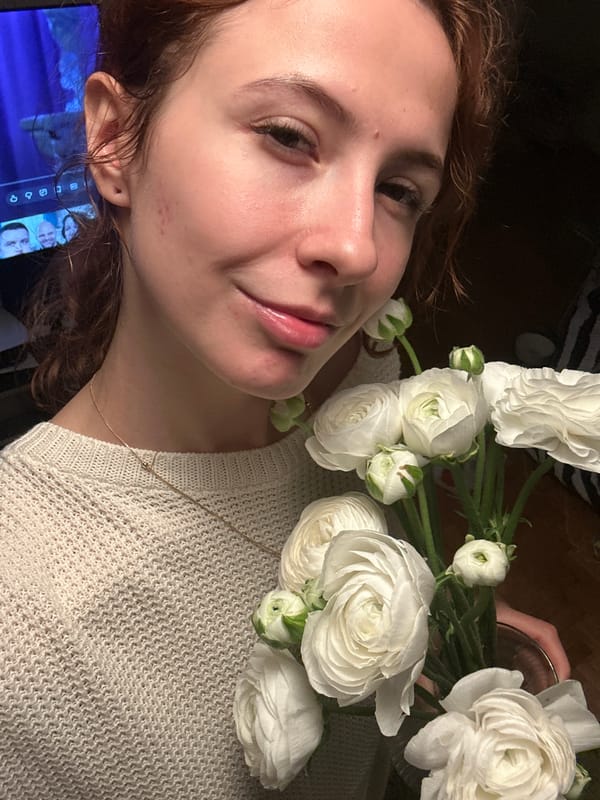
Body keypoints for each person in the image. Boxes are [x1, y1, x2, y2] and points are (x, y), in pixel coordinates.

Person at [0, 1, 566, 799]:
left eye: (399, 189)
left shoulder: (368, 391)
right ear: (115, 139)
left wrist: (440, 630)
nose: (356, 248)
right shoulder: (20, 621)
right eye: (289, 137)